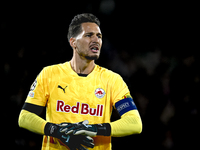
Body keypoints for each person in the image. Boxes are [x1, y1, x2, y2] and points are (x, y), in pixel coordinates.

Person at [18, 13, 142, 150]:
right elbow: (25, 117)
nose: (96, 40)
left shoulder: (113, 80)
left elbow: (135, 123)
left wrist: (94, 129)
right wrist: (58, 132)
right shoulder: (49, 74)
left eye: (99, 36)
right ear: (73, 42)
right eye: (89, 35)